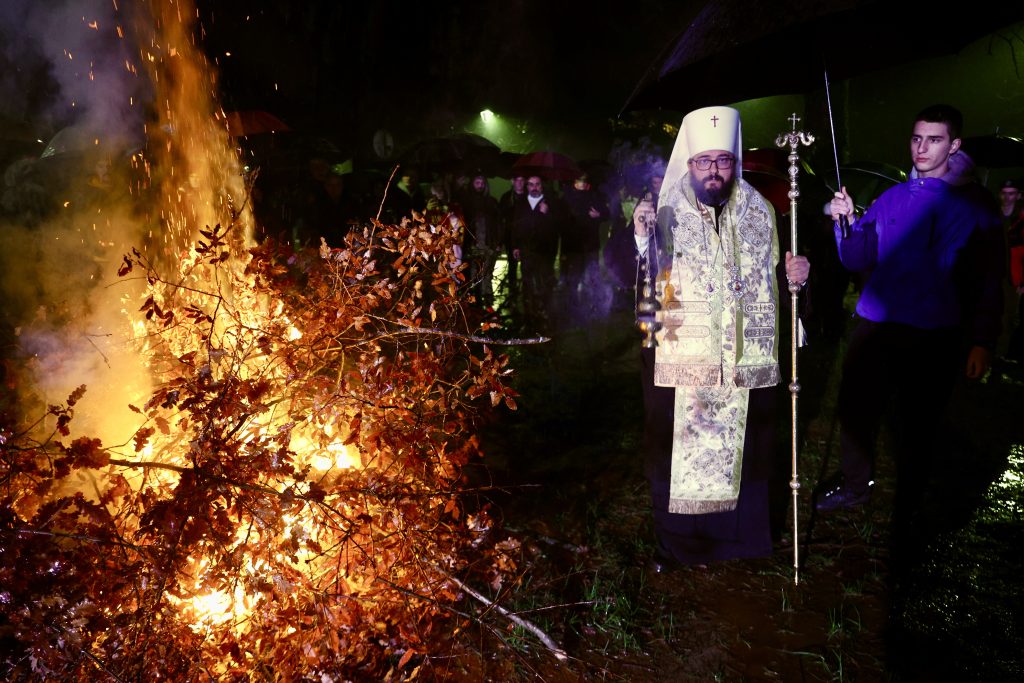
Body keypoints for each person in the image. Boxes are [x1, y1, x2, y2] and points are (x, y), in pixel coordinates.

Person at [635, 105, 810, 569]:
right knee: (677, 455)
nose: (713, 171)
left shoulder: (762, 211)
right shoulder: (663, 210)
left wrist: (797, 276)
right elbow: (630, 272)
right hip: (681, 360)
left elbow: (778, 280)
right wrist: (639, 239)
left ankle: (742, 545)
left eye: (723, 161)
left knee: (747, 453)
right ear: (690, 162)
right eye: (704, 161)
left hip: (742, 362)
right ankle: (679, 546)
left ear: (734, 161)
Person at [816, 105, 1004, 532]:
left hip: (935, 330)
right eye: (917, 138)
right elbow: (856, 257)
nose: (922, 148)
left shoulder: (975, 204)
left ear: (954, 145)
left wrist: (983, 340)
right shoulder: (893, 197)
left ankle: (913, 502)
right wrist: (847, 221)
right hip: (878, 324)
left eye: (934, 140)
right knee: (855, 406)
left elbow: (990, 277)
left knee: (919, 422)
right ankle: (855, 483)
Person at [510, 175, 563, 329]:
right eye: (531, 184)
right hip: (527, 250)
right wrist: (515, 246)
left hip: (545, 251)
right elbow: (515, 226)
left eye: (537, 184)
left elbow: (559, 225)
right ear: (527, 186)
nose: (534, 187)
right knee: (527, 282)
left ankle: (545, 314)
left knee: (545, 282)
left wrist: (547, 214)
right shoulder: (521, 203)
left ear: (541, 186)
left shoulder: (551, 203)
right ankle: (529, 315)